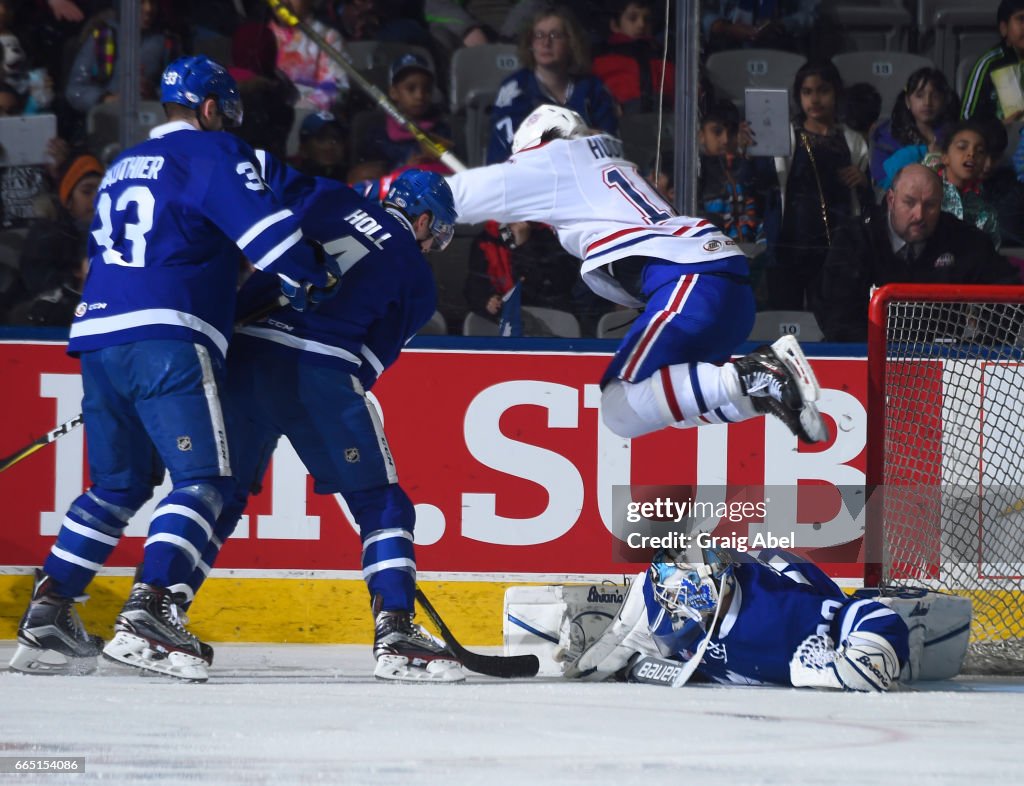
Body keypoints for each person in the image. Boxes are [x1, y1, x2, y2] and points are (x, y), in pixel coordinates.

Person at [7, 55, 341, 681]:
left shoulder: (121, 165)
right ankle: (151, 612)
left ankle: (49, 614)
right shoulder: (213, 153)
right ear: (212, 109)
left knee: (118, 486)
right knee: (203, 481)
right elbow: (269, 240)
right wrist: (315, 274)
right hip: (168, 333)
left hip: (101, 335)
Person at [182, 168, 467, 683]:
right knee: (381, 502)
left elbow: (254, 215)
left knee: (217, 494)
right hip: (320, 373)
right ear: (423, 219)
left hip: (244, 357)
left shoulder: (329, 200)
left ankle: (157, 610)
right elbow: (364, 367)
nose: (432, 245)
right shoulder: (418, 281)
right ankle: (398, 630)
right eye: (436, 233)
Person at [448, 104, 829, 445]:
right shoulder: (602, 169)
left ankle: (757, 371)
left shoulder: (560, 159)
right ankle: (763, 393)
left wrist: (408, 202)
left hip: (689, 279)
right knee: (660, 405)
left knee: (620, 405)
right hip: (716, 280)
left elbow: (467, 194)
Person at [563, 547, 910, 692]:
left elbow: (872, 615)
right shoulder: (678, 621)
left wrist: (866, 654)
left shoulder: (778, 613)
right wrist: (639, 665)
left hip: (791, 587)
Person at [815, 163, 1020, 342]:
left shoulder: (964, 239)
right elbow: (835, 315)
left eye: (930, 205)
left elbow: (1008, 297)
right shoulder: (855, 238)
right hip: (868, 358)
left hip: (946, 364)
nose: (919, 215)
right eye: (909, 202)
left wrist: (975, 350)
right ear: (891, 200)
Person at [766, 60, 871, 312]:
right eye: (807, 92)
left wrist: (863, 181)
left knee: (832, 314)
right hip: (792, 241)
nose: (815, 99)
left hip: (837, 244)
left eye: (823, 90)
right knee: (786, 315)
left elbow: (868, 198)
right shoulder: (787, 136)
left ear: (836, 93)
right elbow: (767, 184)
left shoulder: (853, 140)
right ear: (798, 96)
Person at [486, 5, 618, 164]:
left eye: (555, 35)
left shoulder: (591, 87)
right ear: (530, 43)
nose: (546, 43)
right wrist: (577, 137)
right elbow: (510, 144)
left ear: (571, 42)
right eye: (539, 35)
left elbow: (610, 140)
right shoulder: (515, 88)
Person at [352, 53, 454, 173]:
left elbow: (456, 170)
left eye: (426, 89)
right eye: (411, 89)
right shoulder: (378, 136)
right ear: (393, 92)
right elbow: (368, 177)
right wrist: (403, 167)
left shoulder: (442, 130)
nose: (419, 96)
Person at [869, 68, 958, 190]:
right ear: (908, 101)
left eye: (935, 96)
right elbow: (882, 180)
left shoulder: (955, 136)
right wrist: (922, 152)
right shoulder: (887, 136)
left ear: (944, 101)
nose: (927, 102)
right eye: (919, 96)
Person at [927, 120, 1001, 249]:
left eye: (980, 151)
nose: (971, 154)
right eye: (962, 147)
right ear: (945, 156)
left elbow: (992, 258)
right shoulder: (926, 193)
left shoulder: (986, 213)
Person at [591, 0, 674, 114]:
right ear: (615, 25)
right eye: (632, 18)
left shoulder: (664, 57)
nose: (641, 24)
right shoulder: (601, 60)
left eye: (647, 19)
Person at [960, 0, 1024, 125]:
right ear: (1004, 28)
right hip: (1002, 141)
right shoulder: (989, 64)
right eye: (1021, 19)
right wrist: (999, 128)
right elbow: (966, 119)